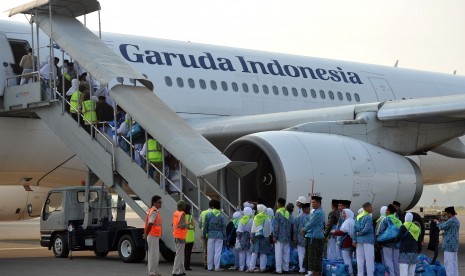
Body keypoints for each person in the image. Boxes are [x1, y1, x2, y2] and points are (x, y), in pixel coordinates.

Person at [303, 195, 325, 276]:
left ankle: (316, 273)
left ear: (319, 203)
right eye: (312, 202)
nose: (312, 204)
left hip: (315, 237)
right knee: (313, 256)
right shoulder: (316, 211)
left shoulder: (318, 212)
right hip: (313, 236)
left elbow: (311, 223)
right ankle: (314, 272)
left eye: (314, 202)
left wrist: (304, 229)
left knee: (314, 256)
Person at [377, 204, 402, 276]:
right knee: (396, 260)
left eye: (387, 210)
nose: (386, 211)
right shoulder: (398, 221)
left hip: (387, 244)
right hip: (396, 243)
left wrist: (379, 240)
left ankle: (391, 274)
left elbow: (380, 231)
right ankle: (398, 274)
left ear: (389, 211)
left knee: (388, 260)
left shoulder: (385, 219)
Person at [203, 199, 227, 271]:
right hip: (219, 236)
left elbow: (205, 226)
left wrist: (204, 234)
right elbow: (224, 227)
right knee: (218, 252)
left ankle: (210, 267)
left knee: (210, 251)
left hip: (210, 235)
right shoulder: (221, 216)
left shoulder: (208, 215)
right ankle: (217, 267)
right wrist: (225, 237)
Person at [436, 206, 460, 276]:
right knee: (454, 265)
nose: (446, 215)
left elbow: (441, 227)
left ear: (450, 213)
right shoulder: (457, 221)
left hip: (448, 247)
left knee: (448, 266)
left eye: (447, 214)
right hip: (454, 246)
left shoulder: (451, 221)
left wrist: (438, 222)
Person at [248, 204, 272, 273]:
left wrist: (252, 237)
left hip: (256, 237)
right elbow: (270, 230)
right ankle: (262, 268)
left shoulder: (256, 217)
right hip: (265, 238)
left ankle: (251, 268)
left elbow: (253, 228)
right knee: (263, 253)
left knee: (254, 253)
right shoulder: (267, 219)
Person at [332, 208, 355, 275]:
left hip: (346, 242)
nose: (343, 215)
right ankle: (351, 271)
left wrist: (334, 232)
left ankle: (350, 272)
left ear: (348, 214)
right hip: (352, 242)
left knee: (346, 258)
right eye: (342, 213)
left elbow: (342, 232)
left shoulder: (347, 222)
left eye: (344, 213)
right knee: (350, 258)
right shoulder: (352, 221)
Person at [354, 202, 375, 276]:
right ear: (366, 208)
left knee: (360, 260)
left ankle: (360, 274)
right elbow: (367, 229)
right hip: (368, 241)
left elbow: (355, 228)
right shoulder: (368, 217)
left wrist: (356, 236)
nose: (372, 208)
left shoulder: (358, 217)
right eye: (370, 207)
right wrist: (361, 232)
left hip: (359, 241)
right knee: (369, 260)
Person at [144, 195, 163, 276]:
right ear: (154, 203)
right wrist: (146, 234)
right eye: (159, 202)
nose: (161, 204)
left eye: (161, 202)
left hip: (154, 235)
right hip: (152, 235)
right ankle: (151, 271)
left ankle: (155, 270)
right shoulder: (154, 211)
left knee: (155, 254)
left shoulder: (154, 211)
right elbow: (150, 223)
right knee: (152, 254)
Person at [272, 197, 292, 274]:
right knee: (286, 253)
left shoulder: (278, 212)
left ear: (279, 203)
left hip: (279, 237)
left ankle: (278, 269)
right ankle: (286, 268)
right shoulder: (287, 213)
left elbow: (276, 226)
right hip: (287, 236)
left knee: (278, 253)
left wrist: (275, 236)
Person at [172, 200, 188, 276]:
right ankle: (175, 271)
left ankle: (182, 270)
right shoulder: (182, 214)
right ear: (183, 206)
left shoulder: (175, 213)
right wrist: (187, 225)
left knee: (180, 254)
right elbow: (182, 225)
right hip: (181, 236)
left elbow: (173, 224)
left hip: (176, 235)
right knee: (179, 254)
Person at [293, 202, 310, 274]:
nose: (309, 210)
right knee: (308, 255)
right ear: (305, 209)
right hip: (308, 239)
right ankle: (307, 269)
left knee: (301, 254)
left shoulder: (297, 218)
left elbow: (295, 230)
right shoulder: (310, 218)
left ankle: (302, 269)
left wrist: (295, 239)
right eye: (309, 208)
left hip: (299, 239)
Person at [236, 207, 253, 271]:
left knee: (241, 253)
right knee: (249, 253)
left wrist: (238, 238)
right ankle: (248, 266)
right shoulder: (252, 220)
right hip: (250, 238)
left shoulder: (242, 220)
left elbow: (239, 231)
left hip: (242, 238)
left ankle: (241, 267)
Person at [199, 200, 213, 269]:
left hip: (204, 233)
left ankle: (205, 263)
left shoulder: (203, 212)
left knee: (206, 249)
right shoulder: (214, 213)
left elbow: (200, 222)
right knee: (212, 249)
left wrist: (201, 228)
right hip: (211, 233)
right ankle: (211, 263)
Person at [184, 203, 195, 271]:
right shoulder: (191, 217)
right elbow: (194, 226)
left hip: (184, 236)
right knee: (188, 253)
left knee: (183, 253)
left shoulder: (182, 216)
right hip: (190, 237)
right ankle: (187, 266)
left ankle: (183, 265)